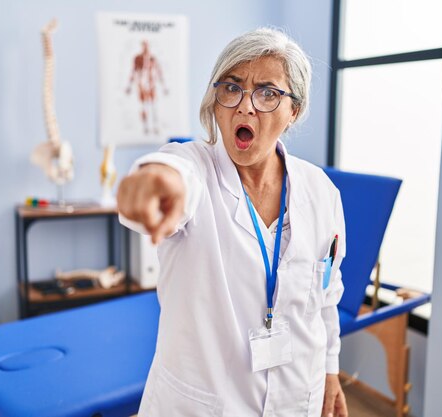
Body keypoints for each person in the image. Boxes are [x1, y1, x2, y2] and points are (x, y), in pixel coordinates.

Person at [118, 27, 348, 417]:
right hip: (204, 404)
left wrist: (330, 369)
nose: (245, 106)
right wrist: (154, 184)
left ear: (294, 110)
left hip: (298, 398)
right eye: (232, 88)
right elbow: (173, 173)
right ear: (216, 101)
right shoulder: (194, 168)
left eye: (268, 93)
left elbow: (327, 292)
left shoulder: (321, 191)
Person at [125, 40, 168, 135]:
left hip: (151, 84)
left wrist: (164, 86)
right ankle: (146, 127)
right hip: (142, 84)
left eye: (147, 46)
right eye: (144, 46)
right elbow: (133, 71)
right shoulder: (137, 58)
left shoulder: (153, 59)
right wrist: (129, 86)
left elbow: (159, 71)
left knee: (154, 106)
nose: (146, 48)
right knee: (144, 106)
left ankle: (155, 126)